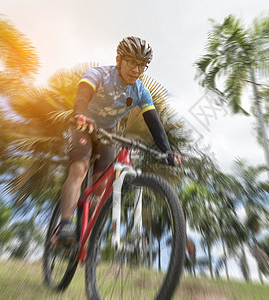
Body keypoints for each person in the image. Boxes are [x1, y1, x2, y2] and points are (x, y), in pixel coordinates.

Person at [56, 36, 181, 244]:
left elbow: (154, 123)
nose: (136, 70)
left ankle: (86, 230)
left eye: (142, 65)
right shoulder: (99, 74)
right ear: (119, 60)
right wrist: (80, 115)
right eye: (132, 62)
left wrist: (167, 150)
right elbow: (82, 95)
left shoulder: (141, 91)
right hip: (83, 125)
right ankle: (66, 223)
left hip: (107, 131)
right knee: (79, 169)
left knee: (102, 184)